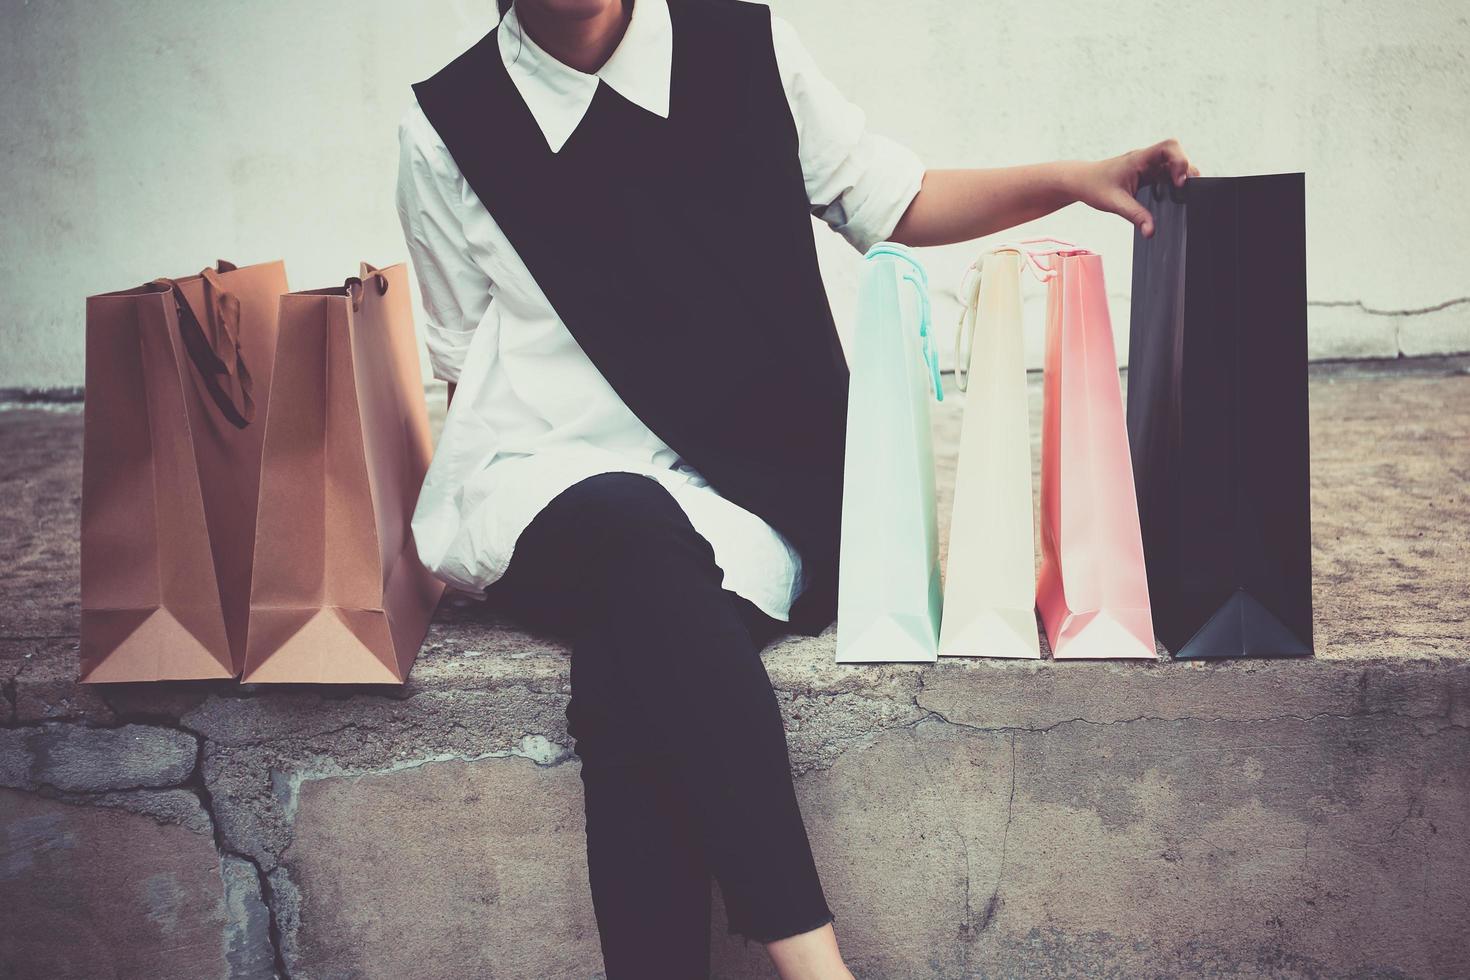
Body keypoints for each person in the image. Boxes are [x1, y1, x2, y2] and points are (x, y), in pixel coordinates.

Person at [395, 1, 1196, 976]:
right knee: (631, 529)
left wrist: (1073, 179)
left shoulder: (742, 45)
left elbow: (893, 200)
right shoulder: (448, 123)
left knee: (626, 662)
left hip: (751, 481)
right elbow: (458, 359)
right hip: (545, 477)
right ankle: (820, 966)